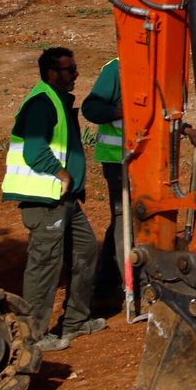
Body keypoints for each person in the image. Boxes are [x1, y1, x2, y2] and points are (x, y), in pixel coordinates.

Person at [2, 47, 105, 352]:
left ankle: (76, 321)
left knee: (85, 250)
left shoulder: (57, 101)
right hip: (46, 200)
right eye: (69, 70)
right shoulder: (41, 103)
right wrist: (61, 174)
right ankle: (32, 334)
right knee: (44, 264)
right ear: (51, 73)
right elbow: (34, 151)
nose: (75, 74)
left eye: (74, 68)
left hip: (66, 201)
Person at [81, 57, 124, 313]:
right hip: (118, 159)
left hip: (148, 158)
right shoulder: (117, 69)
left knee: (129, 220)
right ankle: (116, 282)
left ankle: (108, 280)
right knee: (123, 218)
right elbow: (91, 108)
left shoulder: (162, 64)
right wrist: (115, 111)